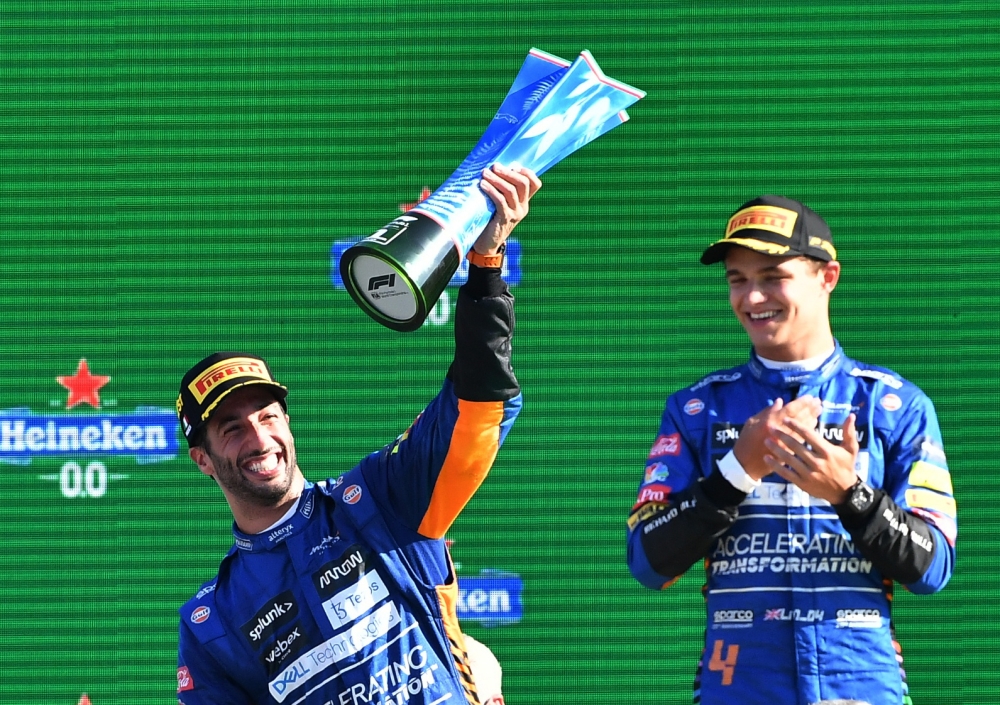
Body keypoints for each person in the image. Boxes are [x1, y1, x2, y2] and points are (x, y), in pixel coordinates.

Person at [175, 163, 540, 704]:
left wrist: (487, 267)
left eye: (268, 415)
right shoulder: (212, 620)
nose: (258, 437)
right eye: (232, 428)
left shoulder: (377, 499)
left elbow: (478, 405)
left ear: (288, 422)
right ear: (202, 459)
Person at [626, 196, 957, 705]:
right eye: (737, 279)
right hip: (737, 687)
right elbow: (648, 561)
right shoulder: (696, 409)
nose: (753, 297)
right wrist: (737, 471)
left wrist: (850, 494)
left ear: (827, 277)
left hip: (862, 687)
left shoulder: (894, 405)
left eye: (772, 275)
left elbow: (931, 569)